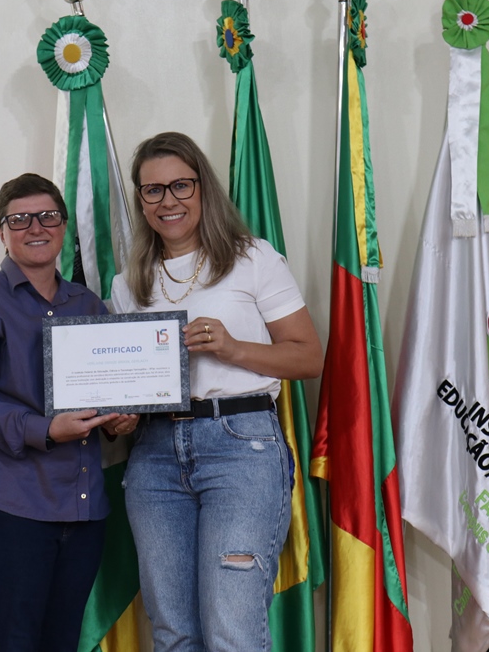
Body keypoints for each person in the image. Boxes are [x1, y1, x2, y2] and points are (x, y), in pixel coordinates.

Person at [110, 132, 324, 651]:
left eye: (180, 185)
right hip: (154, 456)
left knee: (233, 631)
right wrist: (124, 415)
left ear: (203, 187)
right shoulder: (126, 283)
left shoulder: (253, 258)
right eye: (153, 190)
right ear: (141, 200)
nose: (168, 201)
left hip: (240, 448)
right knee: (174, 634)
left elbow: (308, 357)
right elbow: (131, 383)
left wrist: (233, 348)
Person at [0, 173, 139, 652]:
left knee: (61, 643)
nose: (35, 227)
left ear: (64, 226)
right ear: (1, 232)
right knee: (10, 643)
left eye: (47, 216)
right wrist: (44, 430)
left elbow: (107, 392)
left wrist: (119, 420)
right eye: (20, 219)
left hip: (81, 509)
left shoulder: (88, 305)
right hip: (6, 505)